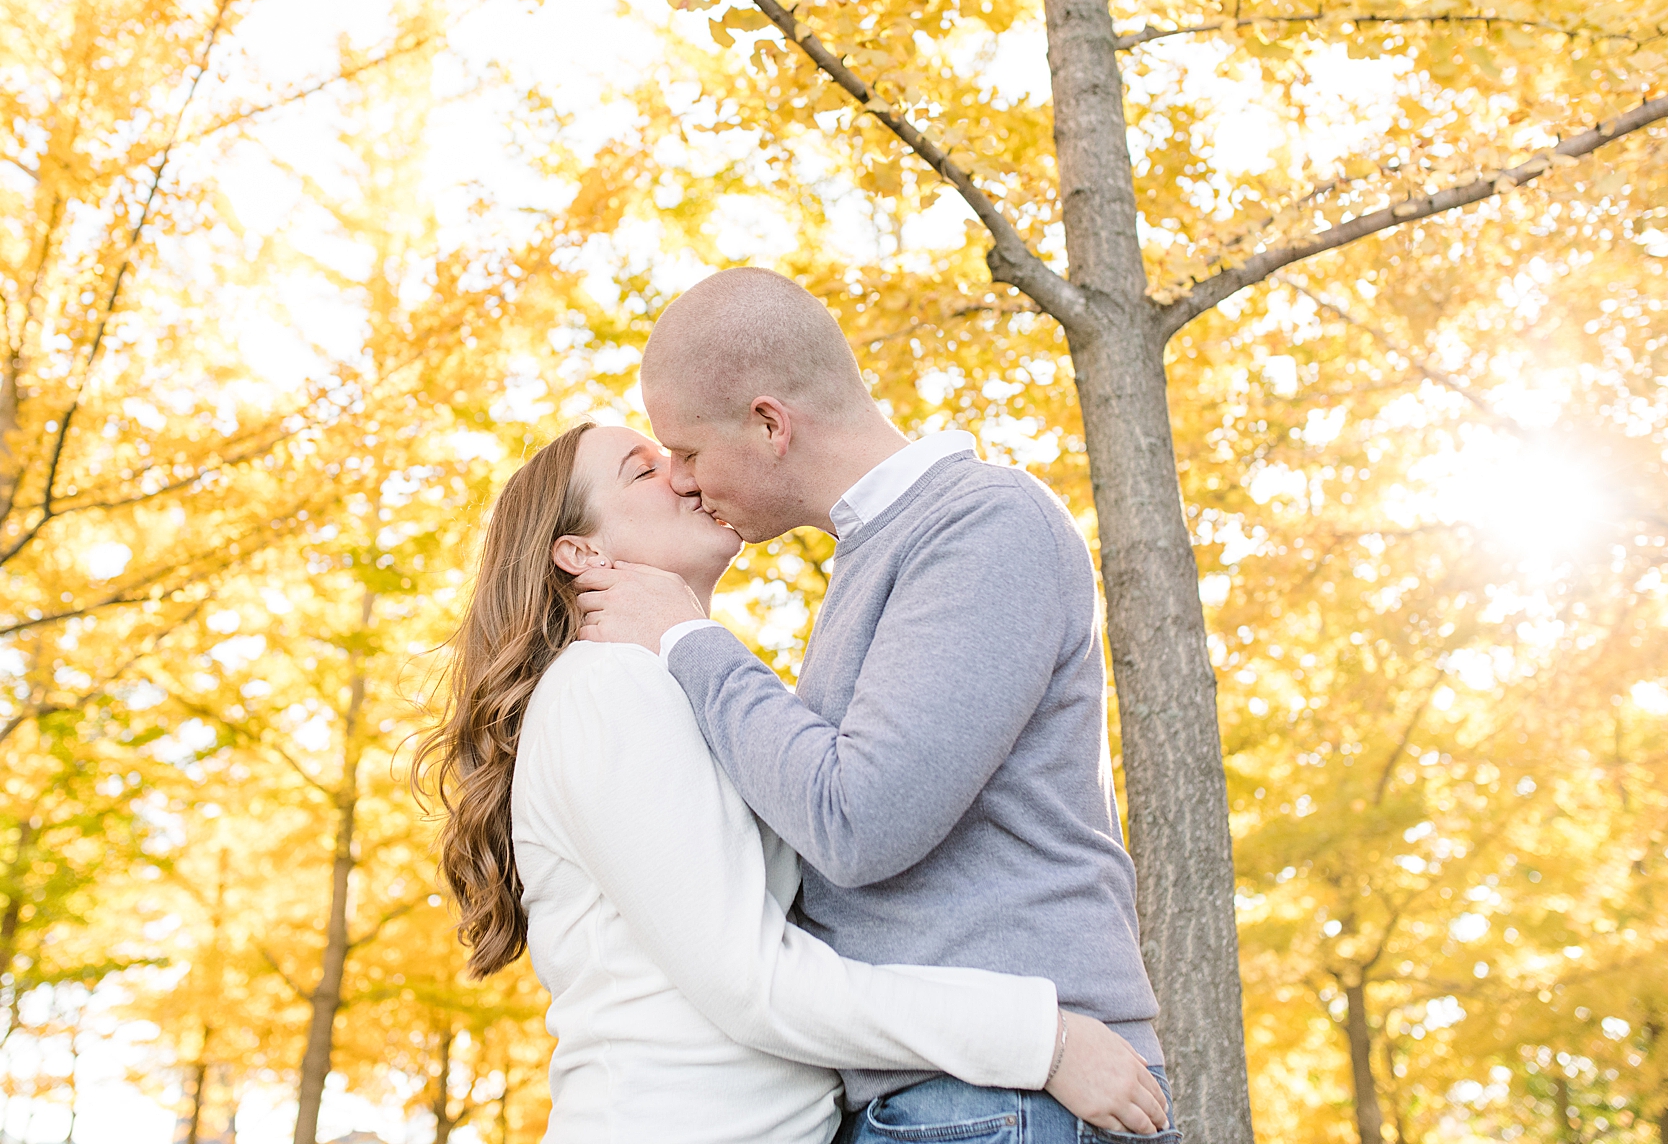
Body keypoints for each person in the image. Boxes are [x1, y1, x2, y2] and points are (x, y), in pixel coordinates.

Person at [416, 421, 1163, 1144]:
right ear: (580, 552)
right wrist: (1041, 1037)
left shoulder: (681, 687)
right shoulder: (605, 686)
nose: (682, 475)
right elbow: (753, 980)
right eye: (644, 470)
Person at [575, 267, 1177, 1142]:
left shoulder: (981, 524)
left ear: (770, 423)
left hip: (1007, 1098)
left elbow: (860, 821)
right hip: (955, 1092)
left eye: (689, 452)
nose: (682, 480)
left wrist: (688, 639)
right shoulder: (876, 556)